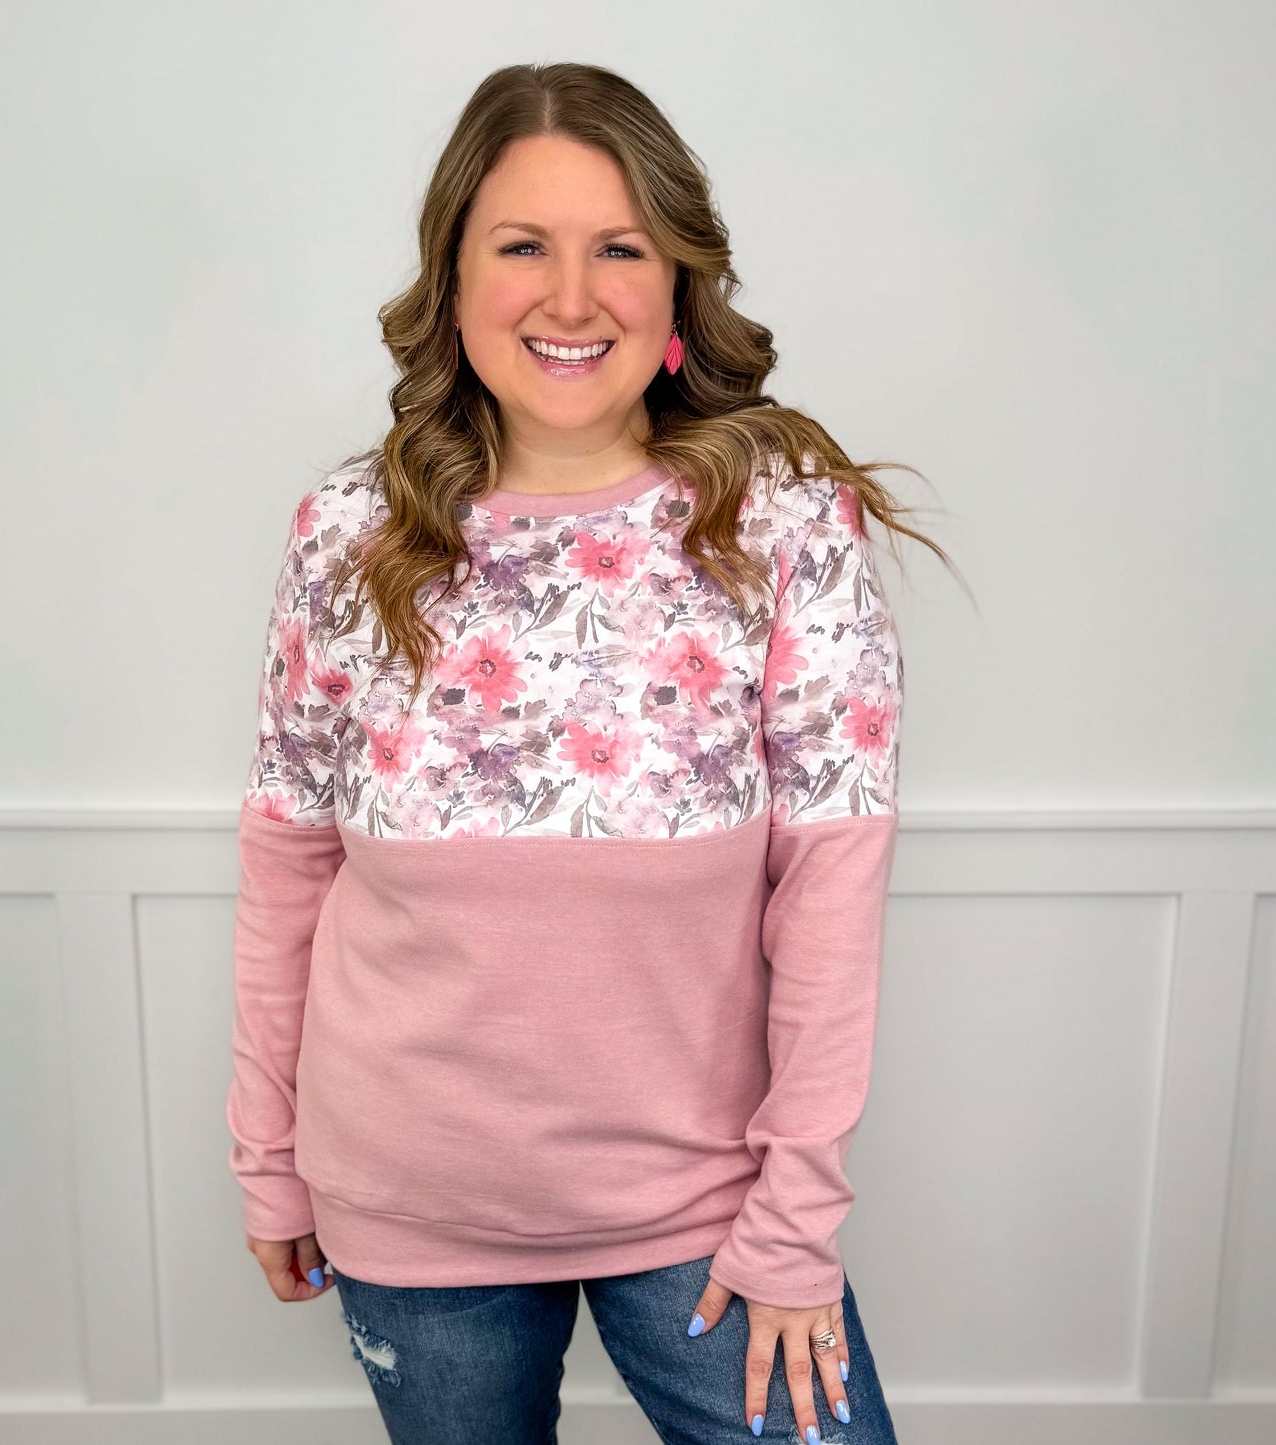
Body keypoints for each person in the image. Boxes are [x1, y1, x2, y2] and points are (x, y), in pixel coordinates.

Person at [227, 60, 955, 1445]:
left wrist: (797, 1214)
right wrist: (267, 1157)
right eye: (522, 247)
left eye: (619, 248)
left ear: (679, 284)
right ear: (452, 281)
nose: (571, 299)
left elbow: (830, 893)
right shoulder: (348, 533)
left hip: (708, 1205)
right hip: (406, 1205)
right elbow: (287, 867)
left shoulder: (786, 526)